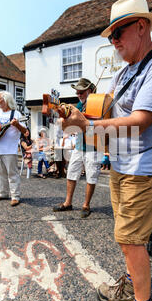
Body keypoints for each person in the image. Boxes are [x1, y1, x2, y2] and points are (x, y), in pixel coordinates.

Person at [60, 0, 152, 301]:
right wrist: (78, 114)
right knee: (128, 235)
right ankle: (131, 284)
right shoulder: (126, 70)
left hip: (145, 167)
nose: (113, 42)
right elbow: (112, 109)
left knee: (130, 238)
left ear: (142, 26)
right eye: (110, 36)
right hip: (123, 162)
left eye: (119, 33)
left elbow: (141, 121)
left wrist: (90, 125)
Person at [53, 78, 101, 218]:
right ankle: (68, 202)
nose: (79, 95)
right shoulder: (78, 107)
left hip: (94, 145)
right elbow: (70, 121)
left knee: (91, 176)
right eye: (77, 93)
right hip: (79, 146)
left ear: (90, 91)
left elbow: (101, 120)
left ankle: (86, 205)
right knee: (71, 173)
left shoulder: (97, 103)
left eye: (82, 92)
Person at [0, 91, 26, 206]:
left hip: (9, 149)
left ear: (7, 100)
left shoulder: (16, 114)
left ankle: (15, 196)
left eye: (0, 99)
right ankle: (2, 193)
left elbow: (25, 131)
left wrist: (17, 125)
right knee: (0, 172)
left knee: (12, 173)